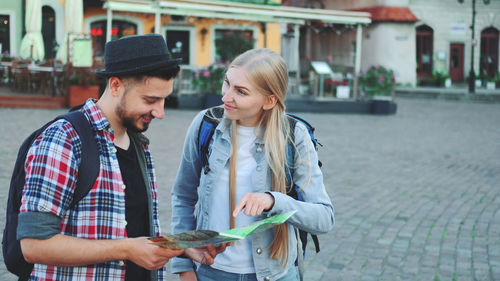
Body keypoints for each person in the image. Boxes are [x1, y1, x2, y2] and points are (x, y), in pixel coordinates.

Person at [18, 34, 227, 281]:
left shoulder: (137, 142)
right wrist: (126, 249)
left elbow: (132, 229)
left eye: (164, 100)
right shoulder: (63, 139)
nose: (160, 112)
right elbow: (33, 246)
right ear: (116, 85)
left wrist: (181, 247)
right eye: (150, 100)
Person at [170, 48, 334, 281]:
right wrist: (184, 266)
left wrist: (274, 200)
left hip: (275, 274)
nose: (226, 96)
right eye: (227, 83)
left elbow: (324, 218)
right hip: (210, 272)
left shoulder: (294, 136)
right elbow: (183, 196)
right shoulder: (205, 125)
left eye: (241, 92)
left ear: (269, 100)